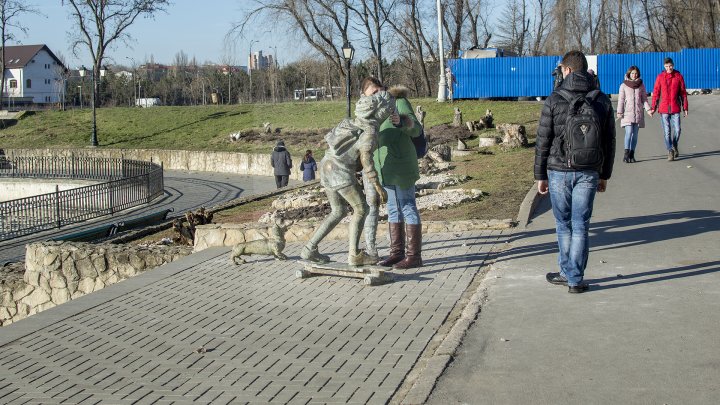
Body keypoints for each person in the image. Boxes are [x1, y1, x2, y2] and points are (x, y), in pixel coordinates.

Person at [534, 50, 616, 293]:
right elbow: (609, 141)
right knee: (581, 225)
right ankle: (575, 279)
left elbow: (543, 140)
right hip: (589, 170)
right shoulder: (601, 99)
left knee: (563, 225)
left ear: (567, 70)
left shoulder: (554, 98)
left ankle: (565, 271)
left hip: (558, 170)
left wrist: (540, 176)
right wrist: (604, 175)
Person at [300, 89, 394, 266]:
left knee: (338, 211)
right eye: (388, 110)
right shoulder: (370, 131)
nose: (388, 114)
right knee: (361, 209)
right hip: (339, 170)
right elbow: (366, 159)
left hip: (326, 165)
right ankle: (354, 254)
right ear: (381, 111)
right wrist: (377, 185)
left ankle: (309, 249)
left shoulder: (352, 122)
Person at [363, 80, 424, 270]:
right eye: (372, 93)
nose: (378, 95)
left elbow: (416, 129)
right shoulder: (369, 111)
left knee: (407, 206)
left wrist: (402, 122)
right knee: (393, 208)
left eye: (379, 91)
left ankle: (414, 256)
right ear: (364, 95)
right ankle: (396, 253)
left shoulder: (398, 102)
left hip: (402, 166)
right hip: (385, 168)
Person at [649, 57, 689, 161]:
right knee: (667, 131)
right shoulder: (660, 77)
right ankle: (670, 150)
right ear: (664, 66)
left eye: (670, 66)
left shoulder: (678, 76)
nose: (669, 68)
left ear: (673, 65)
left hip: (675, 108)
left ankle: (674, 144)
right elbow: (656, 93)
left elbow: (683, 93)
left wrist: (685, 107)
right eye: (666, 66)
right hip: (664, 109)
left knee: (678, 129)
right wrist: (653, 107)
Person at [616, 65, 651, 163]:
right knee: (629, 132)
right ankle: (626, 153)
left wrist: (648, 110)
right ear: (629, 74)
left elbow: (644, 99)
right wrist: (619, 111)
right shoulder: (623, 85)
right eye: (632, 73)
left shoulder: (641, 85)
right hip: (627, 113)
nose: (634, 75)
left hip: (638, 112)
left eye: (636, 73)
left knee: (635, 135)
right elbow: (621, 100)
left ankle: (632, 154)